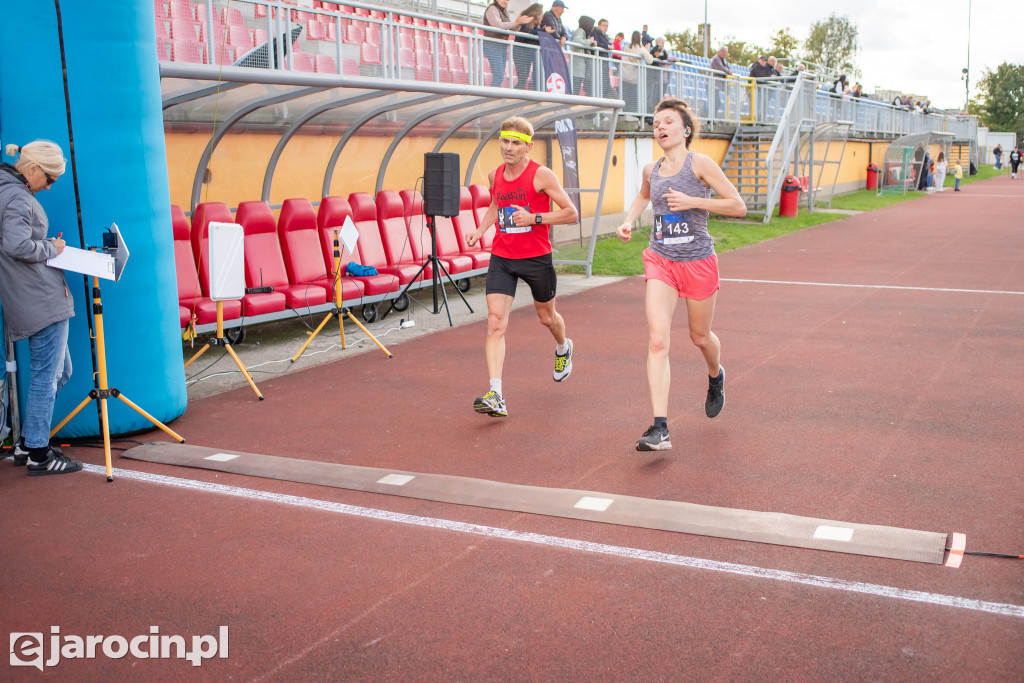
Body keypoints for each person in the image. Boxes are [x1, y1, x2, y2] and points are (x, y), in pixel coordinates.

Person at [615, 99, 747, 451]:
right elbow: (644, 196)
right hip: (661, 260)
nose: (660, 127)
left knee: (700, 337)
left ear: (685, 129)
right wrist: (629, 221)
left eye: (668, 121)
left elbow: (738, 205)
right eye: (656, 123)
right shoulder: (651, 169)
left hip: (698, 261)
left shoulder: (700, 164)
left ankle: (716, 376)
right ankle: (660, 428)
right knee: (658, 340)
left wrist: (694, 202)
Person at [465, 117, 579, 418]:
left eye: (516, 143)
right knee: (495, 322)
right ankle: (496, 394)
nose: (509, 148)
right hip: (502, 257)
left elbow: (571, 213)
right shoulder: (494, 174)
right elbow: (496, 204)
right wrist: (480, 230)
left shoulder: (541, 176)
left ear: (528, 146)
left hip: (536, 258)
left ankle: (563, 347)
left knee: (547, 317)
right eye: (505, 141)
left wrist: (535, 218)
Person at [0, 141, 81, 475]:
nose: (50, 186)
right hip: (40, 298)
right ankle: (38, 453)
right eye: (49, 178)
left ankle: (27, 441)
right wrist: (52, 246)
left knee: (59, 372)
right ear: (32, 170)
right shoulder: (18, 197)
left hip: (29, 295)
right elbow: (16, 244)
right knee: (48, 377)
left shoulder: (9, 190)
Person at [483, 0, 532, 87]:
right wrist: (516, 23)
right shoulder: (492, 8)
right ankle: (491, 97)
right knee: (499, 76)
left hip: (501, 45)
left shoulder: (505, 12)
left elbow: (511, 27)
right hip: (492, 45)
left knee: (499, 76)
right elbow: (498, 25)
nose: (505, 1)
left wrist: (520, 23)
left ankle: (492, 96)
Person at [512, 4, 545, 91]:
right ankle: (513, 97)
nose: (542, 16)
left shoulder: (535, 25)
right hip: (520, 54)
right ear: (537, 13)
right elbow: (527, 31)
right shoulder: (525, 20)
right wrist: (543, 31)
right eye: (541, 13)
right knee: (522, 80)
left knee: (524, 80)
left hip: (526, 54)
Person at [621, 30, 654, 112]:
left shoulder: (627, 47)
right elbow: (650, 61)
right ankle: (631, 114)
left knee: (625, 97)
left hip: (624, 75)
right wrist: (647, 50)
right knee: (633, 97)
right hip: (633, 77)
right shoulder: (641, 49)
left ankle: (624, 114)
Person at [570, 15, 597, 96]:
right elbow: (577, 40)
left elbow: (586, 44)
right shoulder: (580, 31)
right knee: (575, 91)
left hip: (582, 70)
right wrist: (589, 41)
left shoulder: (585, 34)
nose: (592, 28)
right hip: (576, 70)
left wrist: (592, 44)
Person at [591, 18, 613, 97]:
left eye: (607, 26)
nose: (606, 27)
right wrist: (607, 46)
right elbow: (597, 44)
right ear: (599, 25)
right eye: (604, 25)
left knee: (605, 83)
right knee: (600, 82)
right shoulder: (595, 32)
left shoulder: (605, 36)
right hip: (598, 62)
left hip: (604, 62)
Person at [709, 46, 731, 114]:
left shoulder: (724, 61)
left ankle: (712, 119)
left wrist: (729, 71)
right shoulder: (716, 59)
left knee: (717, 102)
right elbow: (722, 68)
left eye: (725, 52)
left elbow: (728, 68)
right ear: (718, 52)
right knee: (716, 102)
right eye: (723, 52)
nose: (724, 54)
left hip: (717, 85)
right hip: (711, 83)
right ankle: (711, 119)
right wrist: (728, 71)